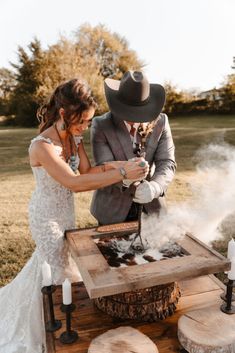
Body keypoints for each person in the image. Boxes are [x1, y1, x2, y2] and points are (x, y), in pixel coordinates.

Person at [0, 78, 148, 353]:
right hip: (46, 218)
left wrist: (124, 165)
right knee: (58, 270)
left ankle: (56, 318)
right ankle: (51, 330)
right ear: (64, 114)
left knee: (51, 267)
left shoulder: (74, 137)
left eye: (89, 122)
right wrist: (124, 174)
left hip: (65, 214)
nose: (85, 128)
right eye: (82, 121)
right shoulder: (41, 147)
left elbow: (89, 172)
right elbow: (74, 183)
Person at [90, 70, 176, 225]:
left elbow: (166, 162)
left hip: (152, 209)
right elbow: (103, 166)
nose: (132, 118)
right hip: (112, 210)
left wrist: (155, 187)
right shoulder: (101, 124)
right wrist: (125, 180)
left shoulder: (161, 122)